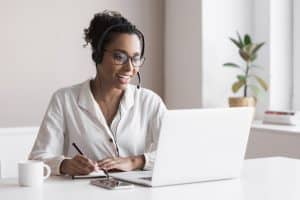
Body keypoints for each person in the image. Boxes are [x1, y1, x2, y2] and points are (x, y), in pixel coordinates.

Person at [29, 10, 166, 176]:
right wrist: (65, 165)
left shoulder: (150, 102)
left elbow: (177, 154)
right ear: (98, 55)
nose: (130, 68)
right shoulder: (64, 100)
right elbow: (37, 160)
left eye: (135, 58)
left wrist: (134, 161)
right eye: (119, 56)